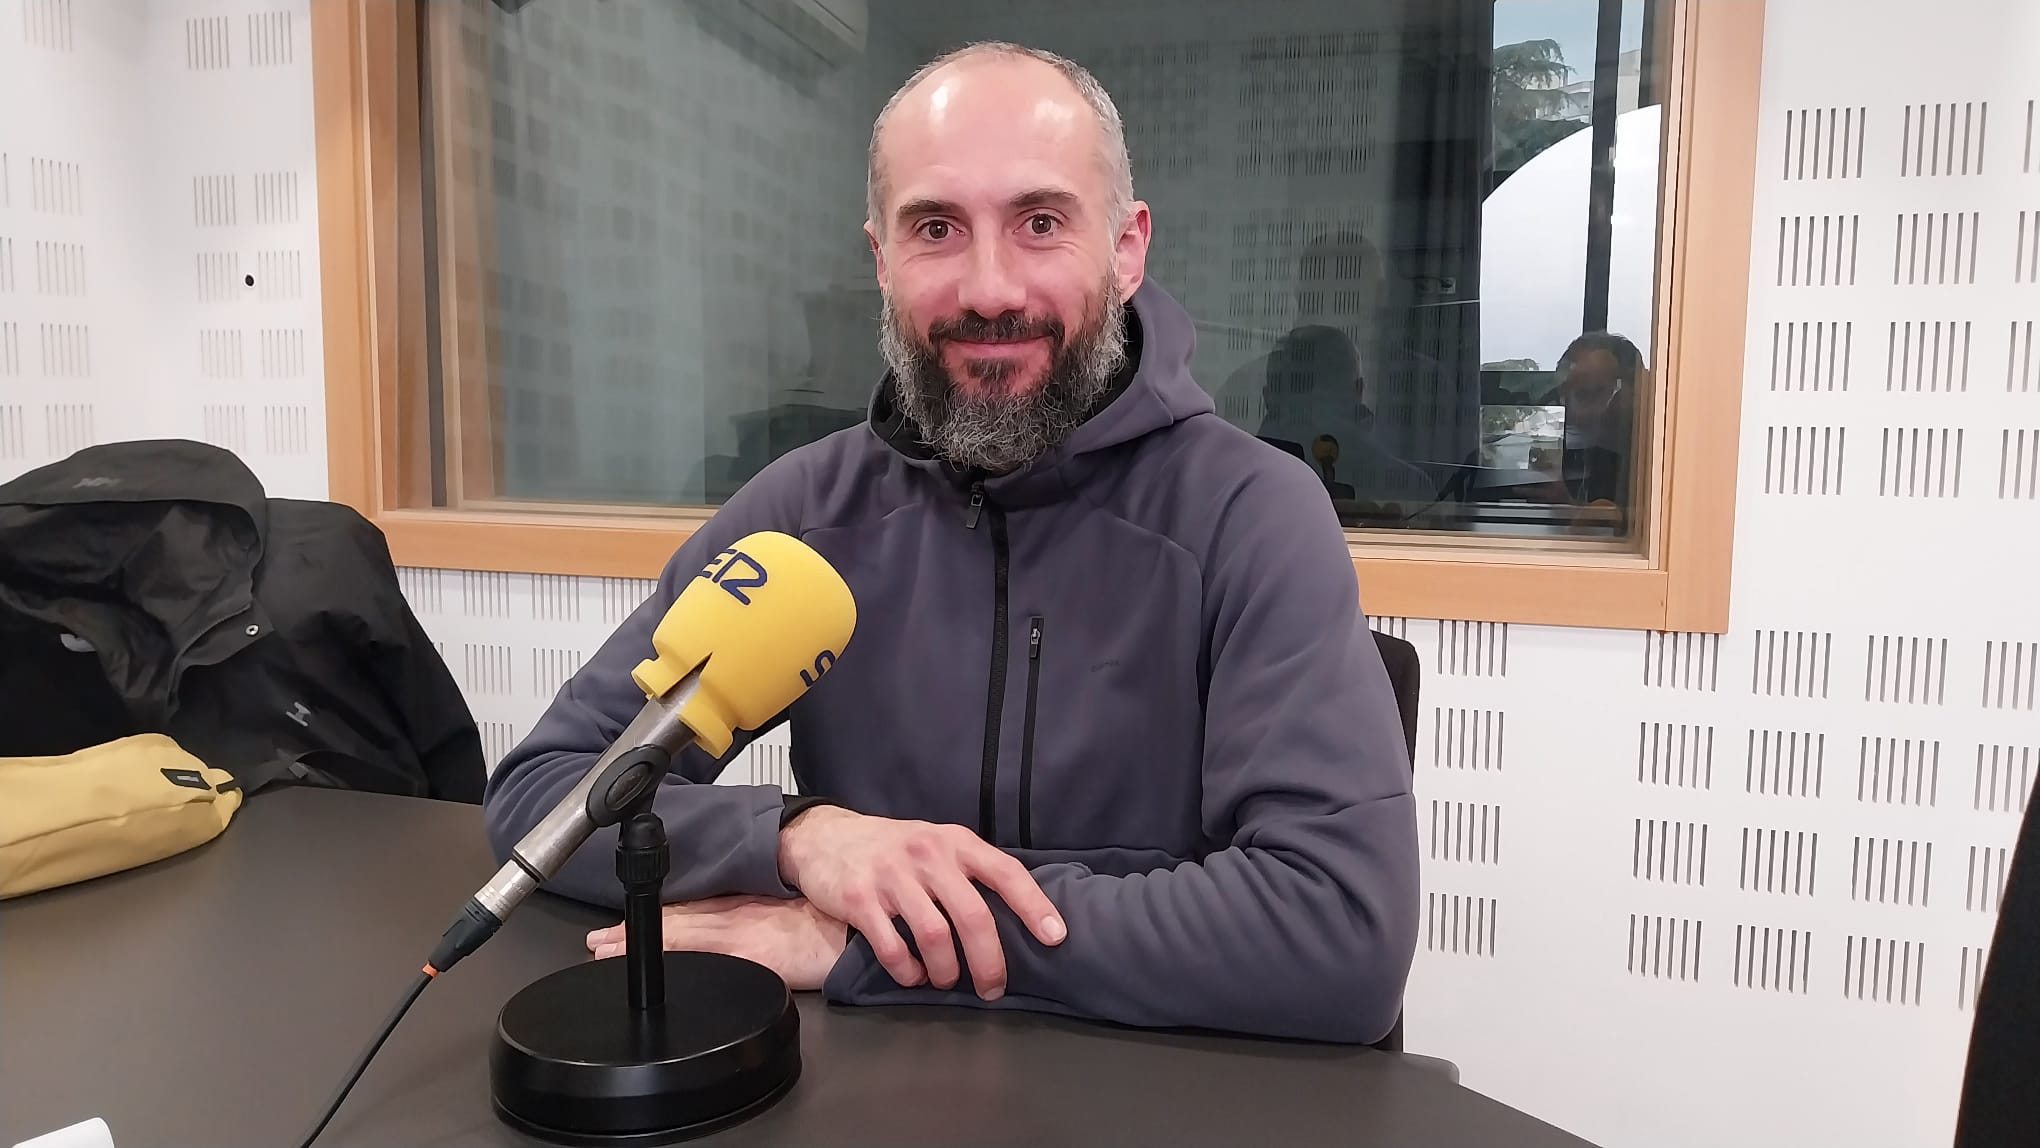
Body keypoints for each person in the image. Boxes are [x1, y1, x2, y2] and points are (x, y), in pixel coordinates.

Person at [484, 41, 1419, 1044]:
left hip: (1150, 1084)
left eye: (1041, 222)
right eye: (936, 227)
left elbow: (1338, 931)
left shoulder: (1253, 513)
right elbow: (545, 794)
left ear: (1128, 247)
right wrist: (800, 837)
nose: (987, 287)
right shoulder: (802, 511)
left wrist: (872, 944)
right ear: (882, 258)